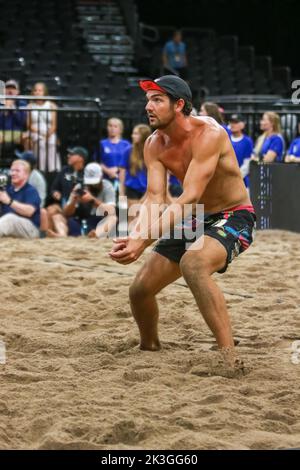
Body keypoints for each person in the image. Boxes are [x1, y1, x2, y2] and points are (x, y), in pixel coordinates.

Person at [109, 75, 256, 373]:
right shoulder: (154, 143)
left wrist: (143, 242)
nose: (148, 106)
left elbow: (188, 197)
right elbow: (154, 198)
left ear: (179, 105)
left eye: (157, 100)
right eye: (148, 100)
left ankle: (229, 358)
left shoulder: (209, 133)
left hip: (234, 214)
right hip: (195, 217)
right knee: (139, 290)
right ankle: (149, 347)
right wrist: (135, 236)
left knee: (194, 263)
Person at [62, 162, 117, 238]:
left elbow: (111, 211)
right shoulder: (79, 187)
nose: (92, 185)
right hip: (81, 220)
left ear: (101, 177)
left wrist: (92, 200)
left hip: (98, 220)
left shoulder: (107, 186)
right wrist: (73, 201)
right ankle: (61, 235)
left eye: (94, 182)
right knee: (60, 217)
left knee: (112, 218)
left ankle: (97, 234)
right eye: (89, 182)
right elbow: (66, 213)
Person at [46, 146, 87, 236]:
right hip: (63, 205)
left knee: (54, 212)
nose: (68, 156)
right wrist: (55, 193)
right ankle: (49, 236)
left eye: (72, 154)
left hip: (78, 209)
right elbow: (53, 188)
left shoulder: (86, 173)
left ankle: (55, 234)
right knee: (51, 210)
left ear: (80, 158)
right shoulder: (65, 170)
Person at [24, 82, 60, 172]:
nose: (37, 92)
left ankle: (53, 169)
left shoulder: (52, 105)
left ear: (44, 92)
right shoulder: (30, 106)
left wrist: (48, 134)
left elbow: (54, 125)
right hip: (35, 131)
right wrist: (40, 132)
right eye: (35, 90)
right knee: (41, 144)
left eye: (40, 90)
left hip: (49, 131)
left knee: (52, 142)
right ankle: (40, 169)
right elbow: (29, 124)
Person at [0, 159, 40, 238]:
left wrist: (9, 201)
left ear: (26, 175)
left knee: (10, 218)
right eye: (12, 171)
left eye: (17, 171)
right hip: (10, 229)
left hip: (30, 230)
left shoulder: (31, 190)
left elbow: (29, 211)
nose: (13, 173)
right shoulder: (7, 189)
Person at [119, 124, 152, 218]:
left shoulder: (151, 151)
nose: (132, 135)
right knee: (132, 217)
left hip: (147, 189)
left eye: (136, 134)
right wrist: (121, 193)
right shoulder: (128, 150)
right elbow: (122, 172)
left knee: (145, 218)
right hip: (131, 188)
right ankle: (130, 233)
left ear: (143, 136)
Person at [93, 117, 130, 189]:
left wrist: (117, 169)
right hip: (105, 180)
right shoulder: (102, 144)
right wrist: (108, 171)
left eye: (115, 126)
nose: (112, 128)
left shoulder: (126, 144)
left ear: (120, 129)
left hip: (123, 181)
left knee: (122, 199)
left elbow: (130, 161)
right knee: (108, 199)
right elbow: (97, 161)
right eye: (110, 126)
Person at [0, 80, 27, 160]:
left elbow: (22, 122)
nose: (10, 90)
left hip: (17, 132)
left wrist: (14, 109)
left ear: (17, 91)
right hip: (1, 132)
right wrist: (4, 111)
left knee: (27, 139)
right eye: (7, 88)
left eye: (13, 88)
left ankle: (26, 166)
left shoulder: (22, 103)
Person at [228, 114, 254, 188]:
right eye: (231, 122)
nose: (233, 125)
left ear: (242, 125)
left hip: (242, 181)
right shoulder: (226, 138)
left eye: (236, 122)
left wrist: (236, 177)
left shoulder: (247, 141)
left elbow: (247, 163)